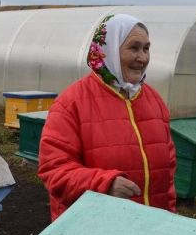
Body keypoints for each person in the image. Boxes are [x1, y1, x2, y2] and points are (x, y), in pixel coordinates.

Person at [38, 13, 177, 221]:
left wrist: (171, 219)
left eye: (146, 48)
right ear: (109, 49)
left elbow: (168, 174)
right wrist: (103, 183)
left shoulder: (154, 100)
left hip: (150, 230)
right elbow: (54, 170)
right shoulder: (72, 103)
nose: (143, 58)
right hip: (94, 231)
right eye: (134, 48)